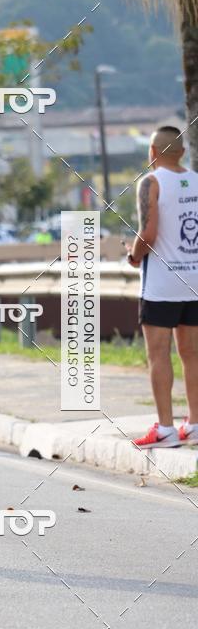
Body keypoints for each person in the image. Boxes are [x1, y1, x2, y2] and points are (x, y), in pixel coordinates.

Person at [127, 126, 198, 448]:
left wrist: (133, 253)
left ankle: (166, 428)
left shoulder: (151, 182)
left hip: (162, 284)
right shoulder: (196, 180)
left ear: (152, 152)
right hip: (195, 280)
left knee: (159, 354)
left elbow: (149, 233)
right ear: (182, 152)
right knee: (192, 354)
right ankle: (194, 424)